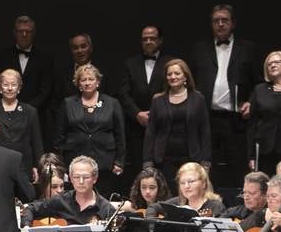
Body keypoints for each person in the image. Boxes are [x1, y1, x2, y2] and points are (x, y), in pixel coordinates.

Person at [192, 5, 261, 186]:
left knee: (238, 165)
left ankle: (242, 204)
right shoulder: (200, 48)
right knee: (206, 165)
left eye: (225, 20)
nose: (220, 24)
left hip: (236, 118)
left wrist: (251, 102)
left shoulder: (247, 48)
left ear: (233, 23)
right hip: (207, 116)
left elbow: (259, 83)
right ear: (211, 24)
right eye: (216, 21)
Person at [55, 63, 126, 198]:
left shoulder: (112, 103)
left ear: (98, 82)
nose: (87, 83)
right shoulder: (68, 103)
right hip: (75, 160)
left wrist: (119, 161)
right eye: (83, 80)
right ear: (78, 84)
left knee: (103, 199)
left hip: (104, 161)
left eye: (91, 79)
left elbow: (120, 134)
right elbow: (59, 136)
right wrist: (60, 165)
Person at [142, 58, 211, 184]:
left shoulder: (198, 99)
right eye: (169, 74)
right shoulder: (158, 100)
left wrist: (205, 163)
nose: (173, 77)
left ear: (185, 77)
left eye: (177, 73)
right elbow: (151, 132)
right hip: (163, 160)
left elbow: (205, 131)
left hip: (191, 159)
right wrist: (148, 162)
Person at [0, 16, 59, 141]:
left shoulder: (45, 58)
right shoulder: (1, 56)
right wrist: (11, 108)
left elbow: (46, 89)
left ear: (34, 33)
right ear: (14, 33)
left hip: (36, 115)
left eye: (28, 31)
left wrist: (26, 110)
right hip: (5, 115)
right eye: (20, 31)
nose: (24, 34)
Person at [118, 25, 171, 180]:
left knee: (163, 171)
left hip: (164, 126)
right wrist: (137, 114)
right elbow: (123, 93)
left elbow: (172, 90)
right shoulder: (130, 63)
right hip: (137, 127)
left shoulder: (171, 63)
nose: (148, 41)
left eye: (152, 38)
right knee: (138, 171)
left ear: (160, 40)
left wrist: (157, 115)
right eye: (144, 39)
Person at [0, 68, 44, 182]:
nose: (10, 88)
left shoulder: (30, 111)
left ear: (19, 88)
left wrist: (37, 167)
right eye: (6, 85)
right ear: (0, 88)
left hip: (24, 166)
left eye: (13, 85)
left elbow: (37, 142)